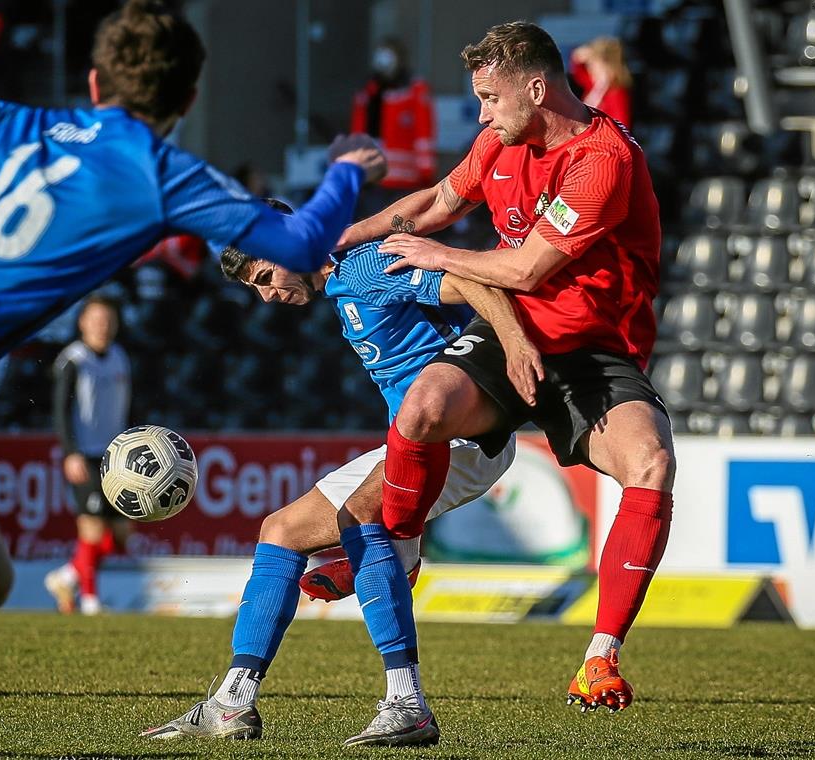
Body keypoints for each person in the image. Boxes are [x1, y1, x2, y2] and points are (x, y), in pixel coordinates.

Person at [0, 0, 386, 686]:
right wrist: (347, 168)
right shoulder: (161, 172)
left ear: (93, 84)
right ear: (189, 99)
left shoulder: (20, 123)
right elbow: (299, 242)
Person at [334, 20, 672, 717]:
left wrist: (441, 256)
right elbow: (431, 205)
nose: (482, 114)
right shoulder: (500, 141)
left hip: (594, 354)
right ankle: (402, 545)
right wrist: (336, 240)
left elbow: (525, 265)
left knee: (652, 466)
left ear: (537, 89)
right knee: (422, 405)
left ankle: (600, 659)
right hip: (510, 328)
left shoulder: (603, 157)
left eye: (491, 97)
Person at [141, 201, 539, 745]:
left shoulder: (365, 266)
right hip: (416, 442)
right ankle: (232, 701)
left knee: (359, 518)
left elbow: (468, 282)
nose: (267, 296)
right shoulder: (342, 282)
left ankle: (407, 701)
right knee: (281, 530)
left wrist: (517, 347)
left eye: (265, 277)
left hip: (464, 439)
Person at [44, 294, 132, 616]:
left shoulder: (120, 357)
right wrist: (70, 453)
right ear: (82, 323)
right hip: (86, 455)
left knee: (120, 534)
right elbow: (60, 411)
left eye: (107, 320)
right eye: (95, 320)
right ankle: (90, 600)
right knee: (93, 529)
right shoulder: (73, 360)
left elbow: (128, 406)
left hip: (117, 458)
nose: (102, 326)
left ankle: (66, 575)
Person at [350, 37, 437, 213]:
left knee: (402, 228)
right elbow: (359, 133)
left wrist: (426, 170)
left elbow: (423, 132)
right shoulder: (369, 91)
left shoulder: (414, 89)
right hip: (374, 179)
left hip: (406, 180)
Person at [568, 37, 633, 128]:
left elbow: (622, 125)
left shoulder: (616, 93)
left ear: (607, 65)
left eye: (593, 64)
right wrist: (578, 56)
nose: (590, 68)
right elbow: (578, 72)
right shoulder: (596, 86)